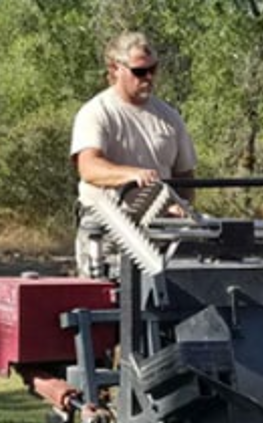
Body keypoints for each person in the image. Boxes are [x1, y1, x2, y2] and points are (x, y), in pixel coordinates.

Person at [70, 31, 197, 277]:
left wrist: (181, 207)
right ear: (115, 68)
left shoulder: (170, 117)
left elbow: (185, 175)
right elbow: (88, 168)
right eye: (140, 71)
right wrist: (131, 175)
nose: (148, 78)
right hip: (107, 231)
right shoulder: (96, 112)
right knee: (109, 306)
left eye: (153, 70)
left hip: (159, 233)